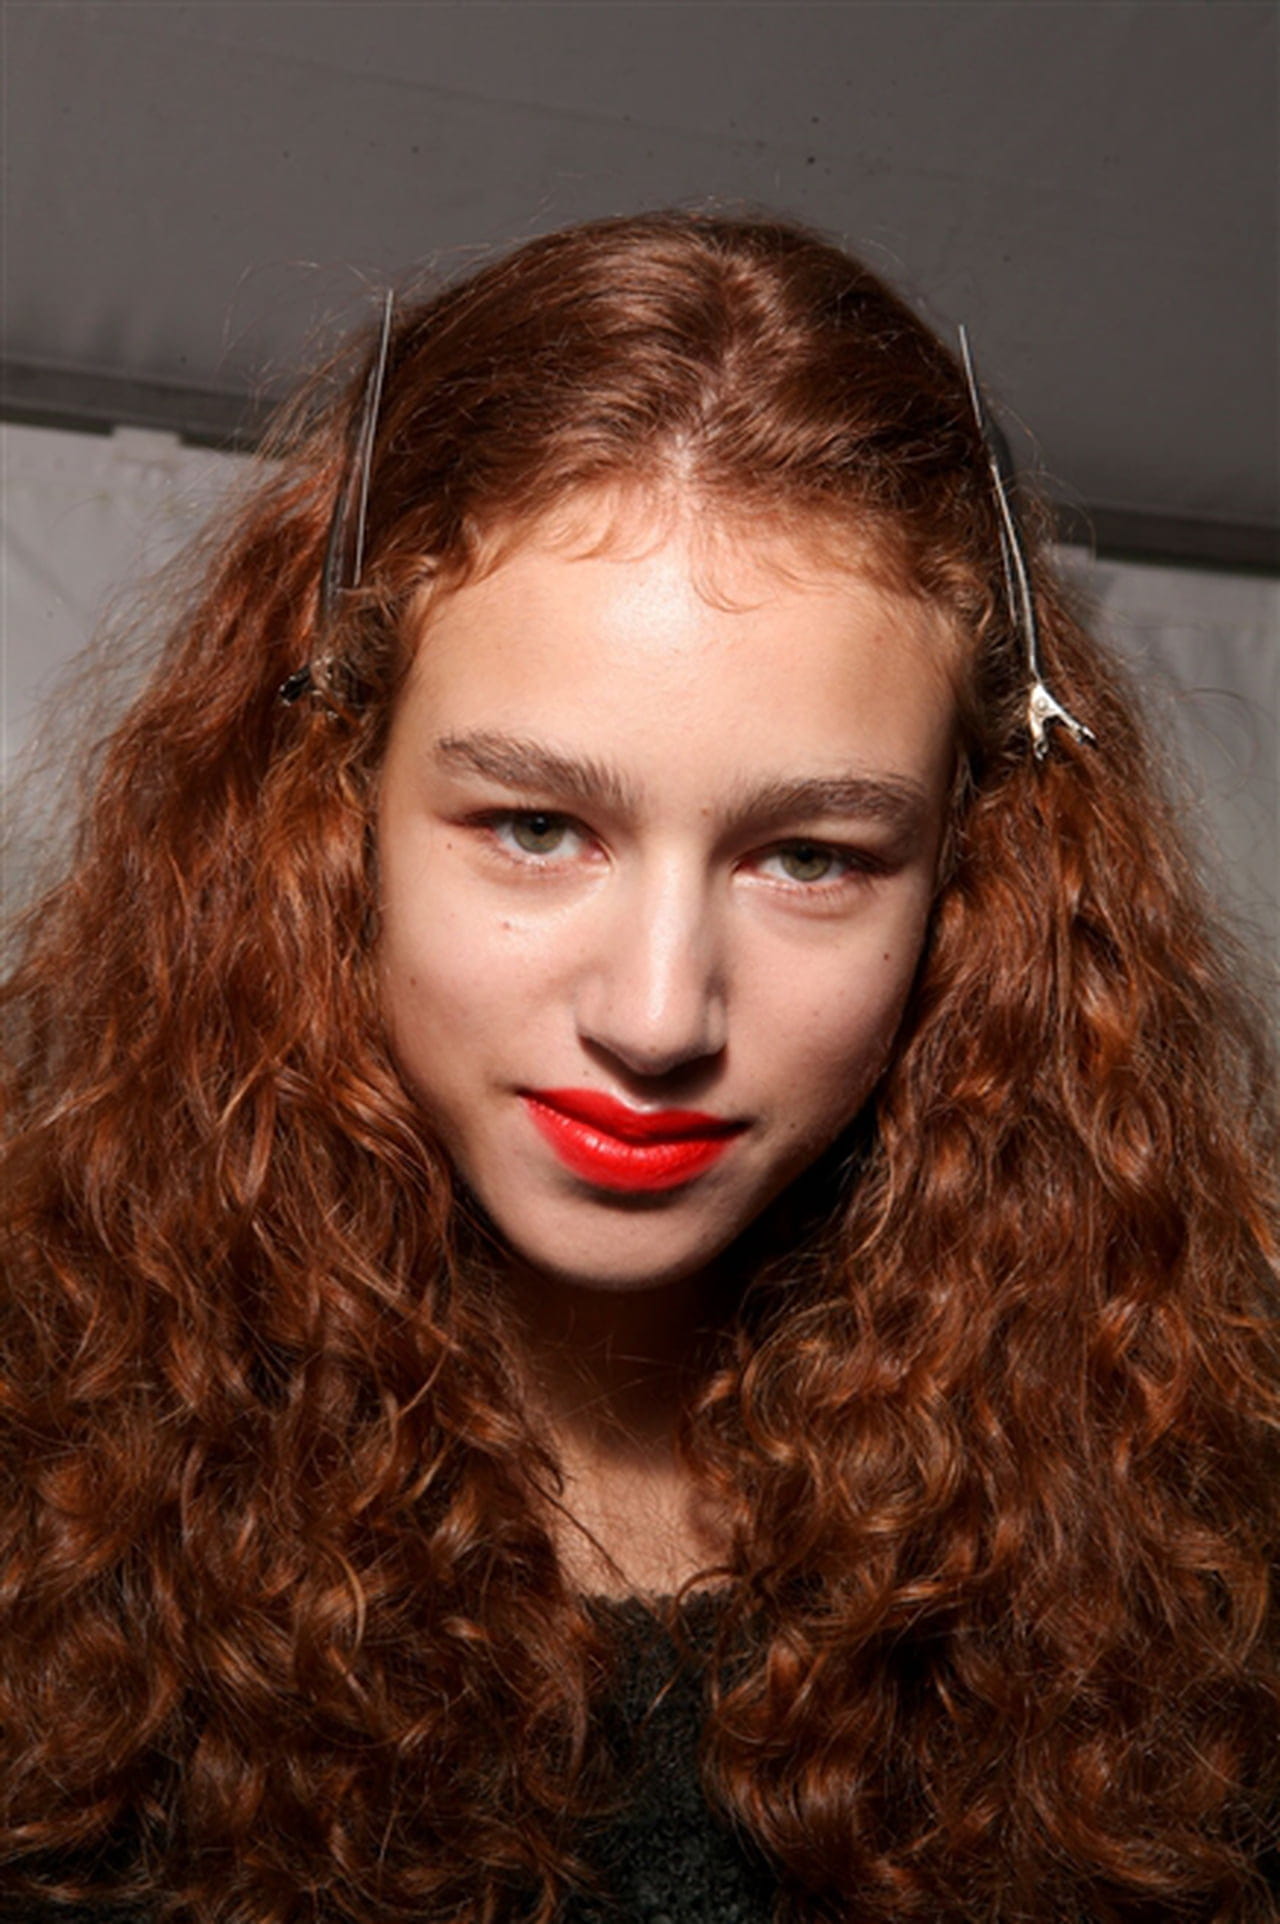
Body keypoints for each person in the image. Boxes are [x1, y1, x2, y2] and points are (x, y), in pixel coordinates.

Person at [1, 210, 1275, 1924]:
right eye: (537, 826)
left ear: (973, 888)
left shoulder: (1202, 1534)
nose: (662, 1016)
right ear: (324, 820)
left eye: (810, 857)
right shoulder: (40, 1473)